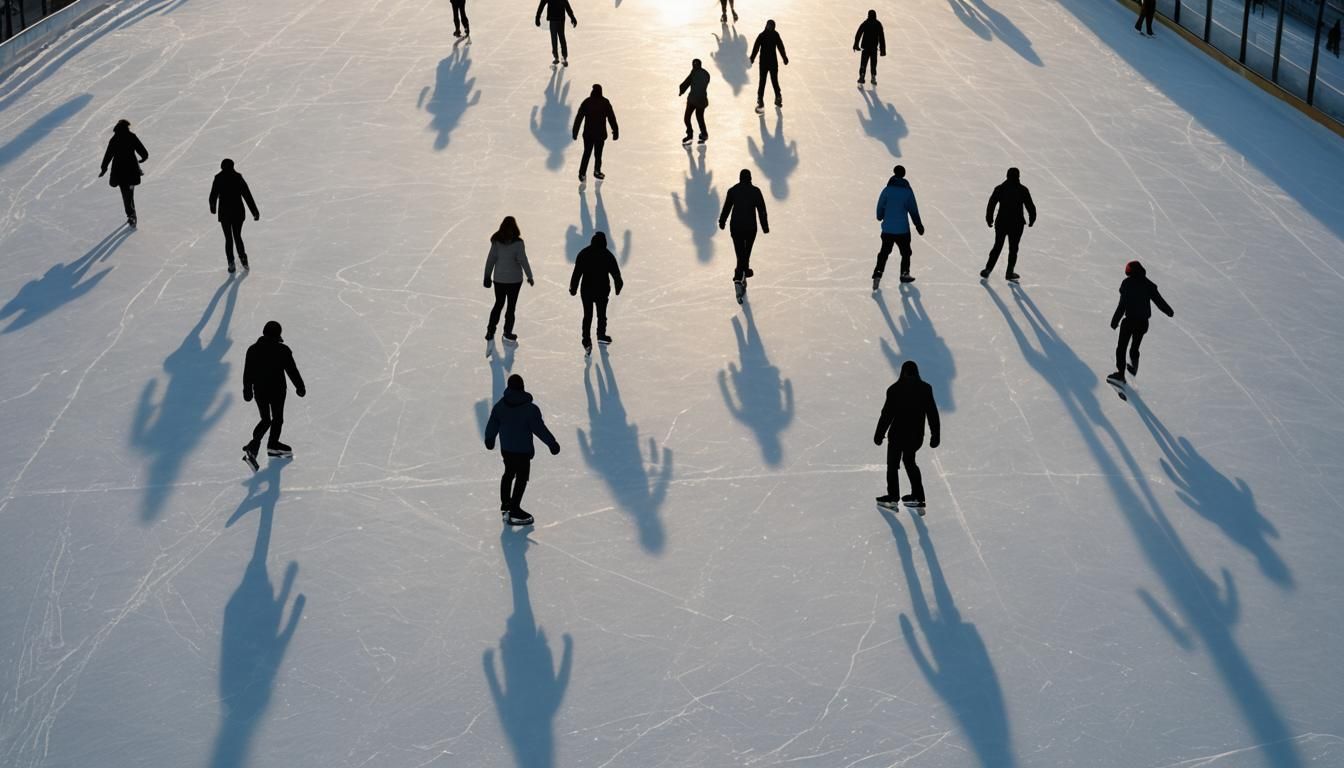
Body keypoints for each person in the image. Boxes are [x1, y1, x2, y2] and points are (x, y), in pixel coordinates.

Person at [485, 374, 561, 526]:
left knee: (508, 474)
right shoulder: (530, 409)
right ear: (522, 388)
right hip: (522, 451)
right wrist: (552, 444)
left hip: (507, 449)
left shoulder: (500, 405)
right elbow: (540, 429)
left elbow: (492, 423)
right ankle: (515, 509)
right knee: (521, 478)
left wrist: (489, 439)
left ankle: (506, 506)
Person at [873, 360, 940, 511]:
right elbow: (932, 414)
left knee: (892, 465)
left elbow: (886, 415)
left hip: (897, 435)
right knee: (909, 461)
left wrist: (879, 434)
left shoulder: (894, 389)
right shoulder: (925, 389)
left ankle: (893, 498)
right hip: (915, 436)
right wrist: (935, 435)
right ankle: (918, 497)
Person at [242, 321, 306, 470]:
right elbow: (292, 370)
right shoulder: (282, 350)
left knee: (265, 419)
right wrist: (300, 386)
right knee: (277, 419)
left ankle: (254, 446)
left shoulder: (253, 349)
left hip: (260, 390)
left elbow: (248, 372)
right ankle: (272, 445)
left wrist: (247, 390)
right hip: (277, 390)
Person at [1108, 260, 1174, 384]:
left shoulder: (1127, 283)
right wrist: (1169, 311)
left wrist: (1115, 321)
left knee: (1121, 348)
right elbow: (1159, 301)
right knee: (1134, 348)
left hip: (1129, 322)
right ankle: (1133, 368)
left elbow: (1122, 305)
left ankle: (1121, 375)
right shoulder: (1148, 284)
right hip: (1143, 323)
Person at [569, 231, 624, 354]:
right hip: (602, 291)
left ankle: (586, 340)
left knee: (588, 316)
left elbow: (576, 273)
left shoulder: (584, 253)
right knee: (601, 315)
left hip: (587, 291)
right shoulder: (607, 255)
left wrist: (573, 288)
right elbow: (617, 275)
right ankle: (601, 335)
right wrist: (618, 287)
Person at [718, 169, 769, 301]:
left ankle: (744, 271)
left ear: (740, 178)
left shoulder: (733, 190)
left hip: (736, 228)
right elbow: (762, 210)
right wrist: (765, 227)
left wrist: (722, 221)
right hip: (751, 229)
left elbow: (726, 207)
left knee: (740, 253)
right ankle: (738, 278)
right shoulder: (756, 191)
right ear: (750, 178)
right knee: (745, 253)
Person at [484, 216, 534, 345]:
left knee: (498, 304)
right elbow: (523, 260)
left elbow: (491, 259)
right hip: (514, 280)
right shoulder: (518, 243)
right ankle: (507, 332)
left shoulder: (497, 241)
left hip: (499, 279)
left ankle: (490, 330)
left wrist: (487, 276)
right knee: (511, 307)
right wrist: (529, 276)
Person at [873, 165, 925, 289]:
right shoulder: (907, 191)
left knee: (884, 253)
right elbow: (913, 210)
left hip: (888, 229)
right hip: (902, 230)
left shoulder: (887, 190)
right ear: (904, 174)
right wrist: (918, 225)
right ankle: (904, 274)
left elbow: (880, 205)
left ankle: (877, 274)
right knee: (906, 252)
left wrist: (880, 216)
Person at [980, 167, 1036, 281]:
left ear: (1007, 176)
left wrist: (989, 218)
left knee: (997, 246)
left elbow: (991, 204)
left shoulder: (1000, 189)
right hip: (1017, 224)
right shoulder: (1022, 190)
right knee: (1013, 248)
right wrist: (1032, 219)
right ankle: (1009, 272)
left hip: (1002, 222)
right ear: (1018, 176)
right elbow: (1030, 206)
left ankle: (988, 269)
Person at [209, 159, 261, 274]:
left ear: (222, 167)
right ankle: (243, 260)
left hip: (225, 214)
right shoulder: (238, 177)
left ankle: (231, 263)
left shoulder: (218, 178)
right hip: (238, 213)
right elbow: (247, 195)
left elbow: (213, 195)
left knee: (228, 238)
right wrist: (255, 212)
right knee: (237, 236)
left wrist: (213, 207)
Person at [99, 119, 148, 228]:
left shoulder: (114, 139)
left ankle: (131, 215)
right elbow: (143, 151)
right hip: (132, 170)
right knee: (129, 194)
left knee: (126, 195)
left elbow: (108, 155)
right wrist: (143, 158)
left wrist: (104, 168)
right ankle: (132, 215)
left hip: (119, 172)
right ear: (127, 127)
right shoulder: (131, 136)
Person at [572, 84, 619, 182]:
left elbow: (579, 118)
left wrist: (575, 131)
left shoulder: (587, 102)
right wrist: (615, 131)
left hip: (588, 135)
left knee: (587, 153)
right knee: (598, 154)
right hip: (600, 135)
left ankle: (582, 173)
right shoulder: (605, 102)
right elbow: (612, 118)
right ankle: (597, 171)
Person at [750, 19, 789, 112]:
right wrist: (752, 58)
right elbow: (756, 47)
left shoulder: (770, 35)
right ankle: (762, 99)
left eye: (771, 26)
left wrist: (784, 57)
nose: (770, 28)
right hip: (767, 63)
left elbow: (780, 46)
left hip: (768, 63)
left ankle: (773, 97)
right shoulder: (765, 35)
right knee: (765, 81)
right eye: (769, 26)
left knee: (771, 80)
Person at [679, 59, 712, 145]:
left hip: (692, 100)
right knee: (699, 117)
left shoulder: (693, 73)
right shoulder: (706, 74)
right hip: (702, 101)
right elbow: (706, 82)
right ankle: (704, 134)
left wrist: (681, 91)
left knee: (687, 118)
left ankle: (690, 134)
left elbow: (687, 82)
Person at [535, 0, 577, 66]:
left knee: (558, 37)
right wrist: (537, 17)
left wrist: (572, 17)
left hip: (557, 19)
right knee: (557, 37)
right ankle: (558, 57)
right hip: (556, 18)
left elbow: (566, 5)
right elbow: (542, 4)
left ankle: (562, 57)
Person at [853, 10, 886, 85]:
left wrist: (856, 44)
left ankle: (862, 76)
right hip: (873, 48)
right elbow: (881, 37)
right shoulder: (878, 24)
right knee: (873, 63)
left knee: (863, 63)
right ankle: (873, 76)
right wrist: (882, 50)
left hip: (866, 48)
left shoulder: (866, 23)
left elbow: (858, 34)